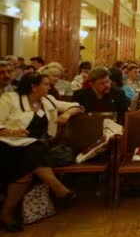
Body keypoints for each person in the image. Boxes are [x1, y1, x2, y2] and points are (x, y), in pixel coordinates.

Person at [0, 73, 81, 232]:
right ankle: (59, 189)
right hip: (8, 145)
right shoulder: (10, 98)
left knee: (27, 167)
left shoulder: (47, 100)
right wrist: (11, 131)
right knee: (31, 149)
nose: (50, 87)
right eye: (46, 84)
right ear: (34, 86)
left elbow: (76, 105)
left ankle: (6, 213)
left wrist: (66, 114)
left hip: (35, 148)